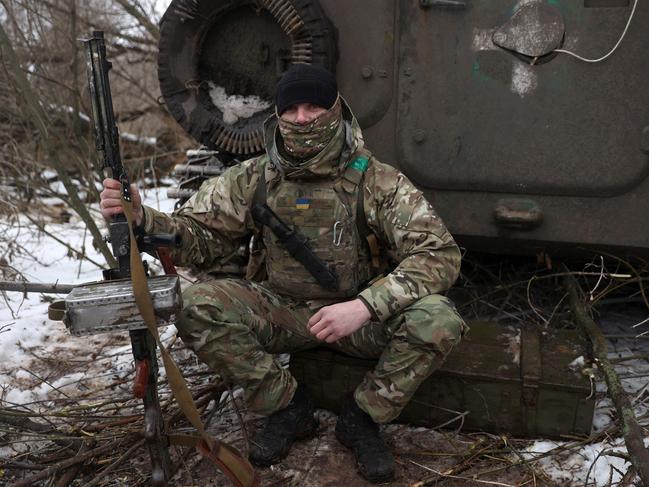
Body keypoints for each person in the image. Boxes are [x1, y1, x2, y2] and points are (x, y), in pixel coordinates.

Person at [100, 63, 467, 483]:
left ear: (336, 110)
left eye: (314, 106)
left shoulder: (378, 181)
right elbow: (198, 237)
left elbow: (439, 254)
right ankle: (288, 406)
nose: (302, 118)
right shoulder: (254, 177)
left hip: (359, 319)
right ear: (277, 115)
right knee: (196, 304)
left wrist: (366, 305)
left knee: (437, 319)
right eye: (291, 108)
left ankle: (363, 418)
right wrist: (142, 217)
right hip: (283, 310)